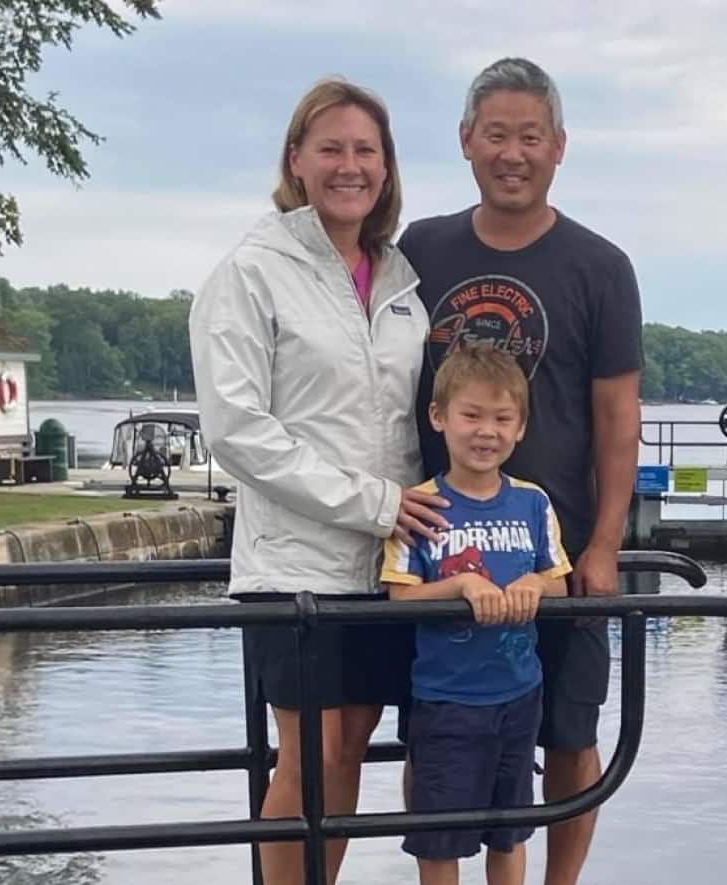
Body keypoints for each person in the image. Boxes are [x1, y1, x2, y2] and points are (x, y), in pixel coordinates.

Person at [189, 77, 449, 885]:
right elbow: (237, 431)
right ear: (296, 159)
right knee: (307, 757)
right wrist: (374, 503)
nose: (349, 165)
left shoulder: (401, 279)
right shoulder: (252, 272)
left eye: (365, 150)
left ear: (386, 166)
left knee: (348, 756)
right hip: (294, 563)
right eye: (330, 147)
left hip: (383, 567)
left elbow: (412, 420)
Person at [398, 57, 643, 885]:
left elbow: (617, 416)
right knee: (437, 732)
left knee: (570, 735)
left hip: (556, 556)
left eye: (529, 136)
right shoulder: (420, 249)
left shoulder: (600, 266)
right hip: (442, 556)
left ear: (559, 147)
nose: (513, 152)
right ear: (466, 140)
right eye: (495, 133)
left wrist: (603, 542)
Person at [383, 345, 571, 885]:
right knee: (441, 833)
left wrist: (534, 584)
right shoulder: (418, 505)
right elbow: (401, 597)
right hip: (447, 700)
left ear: (520, 428)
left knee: (510, 827)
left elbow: (557, 580)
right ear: (439, 418)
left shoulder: (533, 503)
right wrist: (462, 586)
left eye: (501, 418)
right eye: (471, 415)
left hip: (519, 694)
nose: (486, 431)